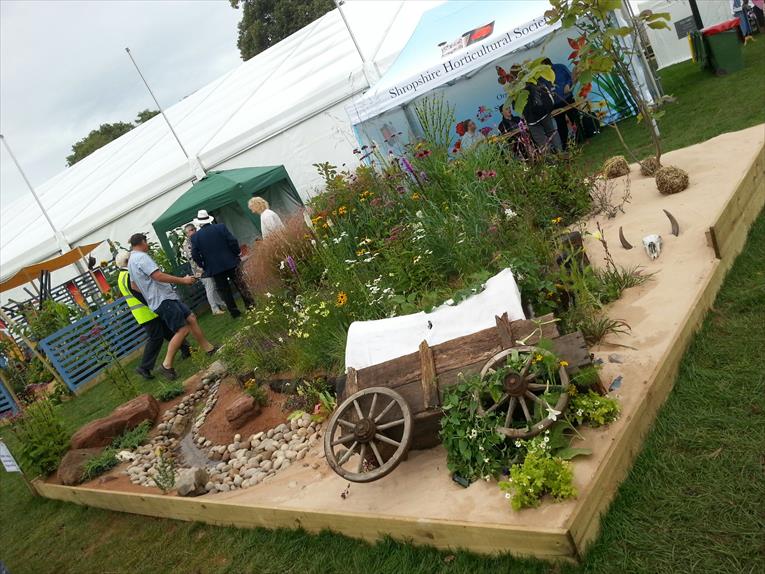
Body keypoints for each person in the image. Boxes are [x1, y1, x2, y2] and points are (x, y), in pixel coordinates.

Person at [127, 233, 217, 379]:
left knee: (191, 318)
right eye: (146, 242)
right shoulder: (141, 257)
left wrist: (149, 292)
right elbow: (158, 276)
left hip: (164, 298)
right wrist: (183, 280)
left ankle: (208, 348)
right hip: (163, 300)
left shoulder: (131, 261)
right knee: (182, 330)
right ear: (142, 242)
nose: (147, 245)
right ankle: (166, 365)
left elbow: (134, 285)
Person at [115, 251, 191, 380]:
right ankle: (144, 367)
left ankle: (186, 348)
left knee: (167, 331)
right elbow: (139, 294)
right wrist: (152, 304)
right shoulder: (129, 275)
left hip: (143, 313)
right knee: (156, 338)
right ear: (128, 262)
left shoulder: (121, 277)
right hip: (146, 312)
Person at [190, 209, 254, 318]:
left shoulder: (195, 237)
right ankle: (250, 305)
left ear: (199, 223)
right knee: (240, 284)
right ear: (209, 220)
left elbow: (195, 255)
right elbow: (232, 241)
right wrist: (236, 253)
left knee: (225, 291)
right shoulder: (220, 227)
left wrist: (203, 265)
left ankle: (234, 312)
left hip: (214, 267)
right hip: (230, 261)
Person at [510, 64, 562, 154]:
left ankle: (552, 162)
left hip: (532, 119)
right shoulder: (532, 78)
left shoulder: (515, 88)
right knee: (552, 132)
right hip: (544, 112)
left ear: (513, 75)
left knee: (541, 141)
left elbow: (516, 106)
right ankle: (560, 153)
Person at [182, 223, 226, 315]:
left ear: (195, 229)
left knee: (212, 285)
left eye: (192, 230)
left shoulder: (197, 238)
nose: (191, 233)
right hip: (199, 269)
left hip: (205, 265)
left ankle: (220, 303)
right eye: (188, 232)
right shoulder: (187, 244)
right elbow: (193, 258)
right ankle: (214, 308)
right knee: (209, 286)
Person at [542, 58, 583, 151]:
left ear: (549, 64)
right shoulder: (543, 77)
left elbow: (571, 78)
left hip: (567, 98)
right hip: (555, 104)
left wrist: (568, 84)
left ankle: (580, 139)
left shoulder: (561, 67)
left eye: (545, 67)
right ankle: (565, 145)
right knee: (561, 125)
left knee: (574, 119)